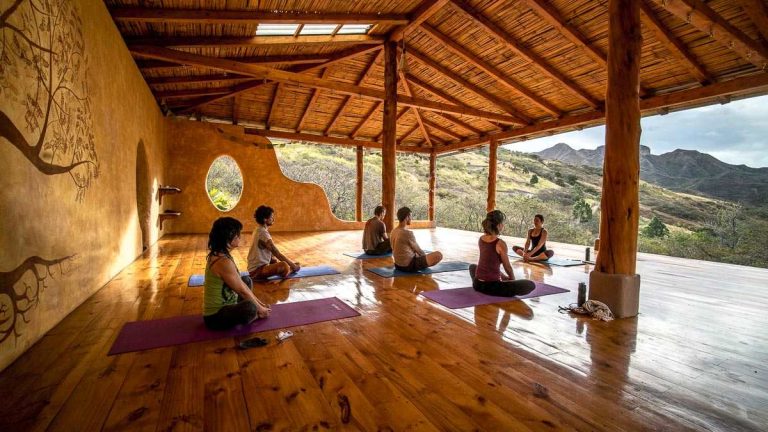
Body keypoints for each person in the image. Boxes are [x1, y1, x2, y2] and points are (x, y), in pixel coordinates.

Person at [203, 217, 271, 330]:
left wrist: (260, 304)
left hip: (229, 304)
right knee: (250, 308)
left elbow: (241, 285)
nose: (240, 237)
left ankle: (256, 311)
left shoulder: (222, 254)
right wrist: (260, 309)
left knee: (246, 280)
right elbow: (241, 290)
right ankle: (255, 315)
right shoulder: (222, 261)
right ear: (229, 237)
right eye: (238, 234)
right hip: (215, 317)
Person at [469, 210, 536, 296]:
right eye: (502, 223)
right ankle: (503, 282)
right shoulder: (500, 243)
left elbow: (489, 262)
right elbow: (507, 267)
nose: (503, 225)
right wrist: (512, 280)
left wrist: (503, 277)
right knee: (530, 285)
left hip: (477, 284)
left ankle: (498, 279)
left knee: (472, 267)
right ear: (498, 225)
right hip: (492, 287)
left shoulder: (481, 238)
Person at [247, 205, 301, 279]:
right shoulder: (262, 233)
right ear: (265, 219)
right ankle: (290, 270)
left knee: (273, 259)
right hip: (257, 271)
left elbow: (272, 253)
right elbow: (277, 253)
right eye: (271, 217)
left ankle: (288, 268)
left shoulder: (258, 230)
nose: (273, 219)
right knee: (284, 265)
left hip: (259, 268)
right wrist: (293, 266)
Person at [390, 207, 443, 272]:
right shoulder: (407, 233)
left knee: (417, 254)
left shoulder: (393, 231)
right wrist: (425, 259)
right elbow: (419, 251)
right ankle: (422, 265)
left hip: (397, 265)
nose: (411, 219)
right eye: (410, 216)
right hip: (408, 266)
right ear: (407, 217)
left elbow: (394, 249)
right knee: (438, 255)